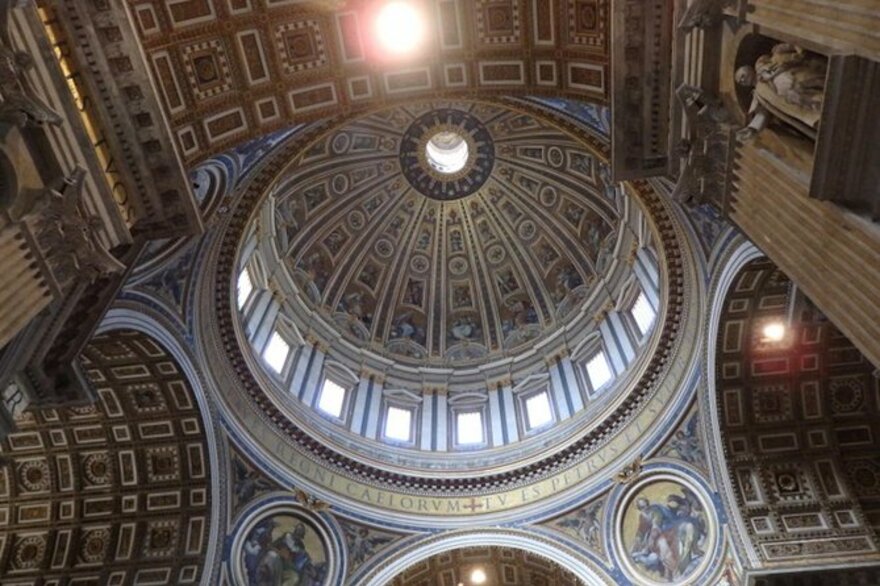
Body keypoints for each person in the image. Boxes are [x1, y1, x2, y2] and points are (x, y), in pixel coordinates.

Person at [735, 43, 827, 140]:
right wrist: (752, 128)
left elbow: (780, 53)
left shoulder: (761, 65)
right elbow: (762, 113)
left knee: (819, 82)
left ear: (749, 69)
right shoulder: (758, 95)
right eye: (741, 81)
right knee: (819, 103)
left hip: (798, 77)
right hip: (797, 101)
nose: (742, 80)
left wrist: (794, 47)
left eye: (742, 76)